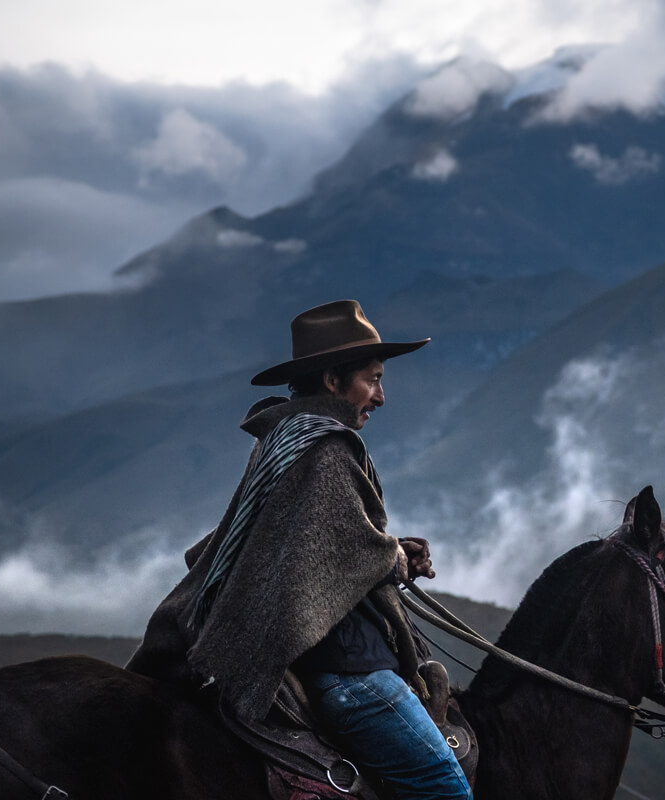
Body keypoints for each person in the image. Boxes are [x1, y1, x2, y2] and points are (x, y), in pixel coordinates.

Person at [127, 299, 472, 799]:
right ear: (333, 380)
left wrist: (386, 550)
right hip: (349, 671)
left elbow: (313, 539)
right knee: (443, 786)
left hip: (325, 663)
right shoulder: (327, 448)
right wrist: (392, 557)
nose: (380, 395)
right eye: (372, 380)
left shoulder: (285, 438)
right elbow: (343, 549)